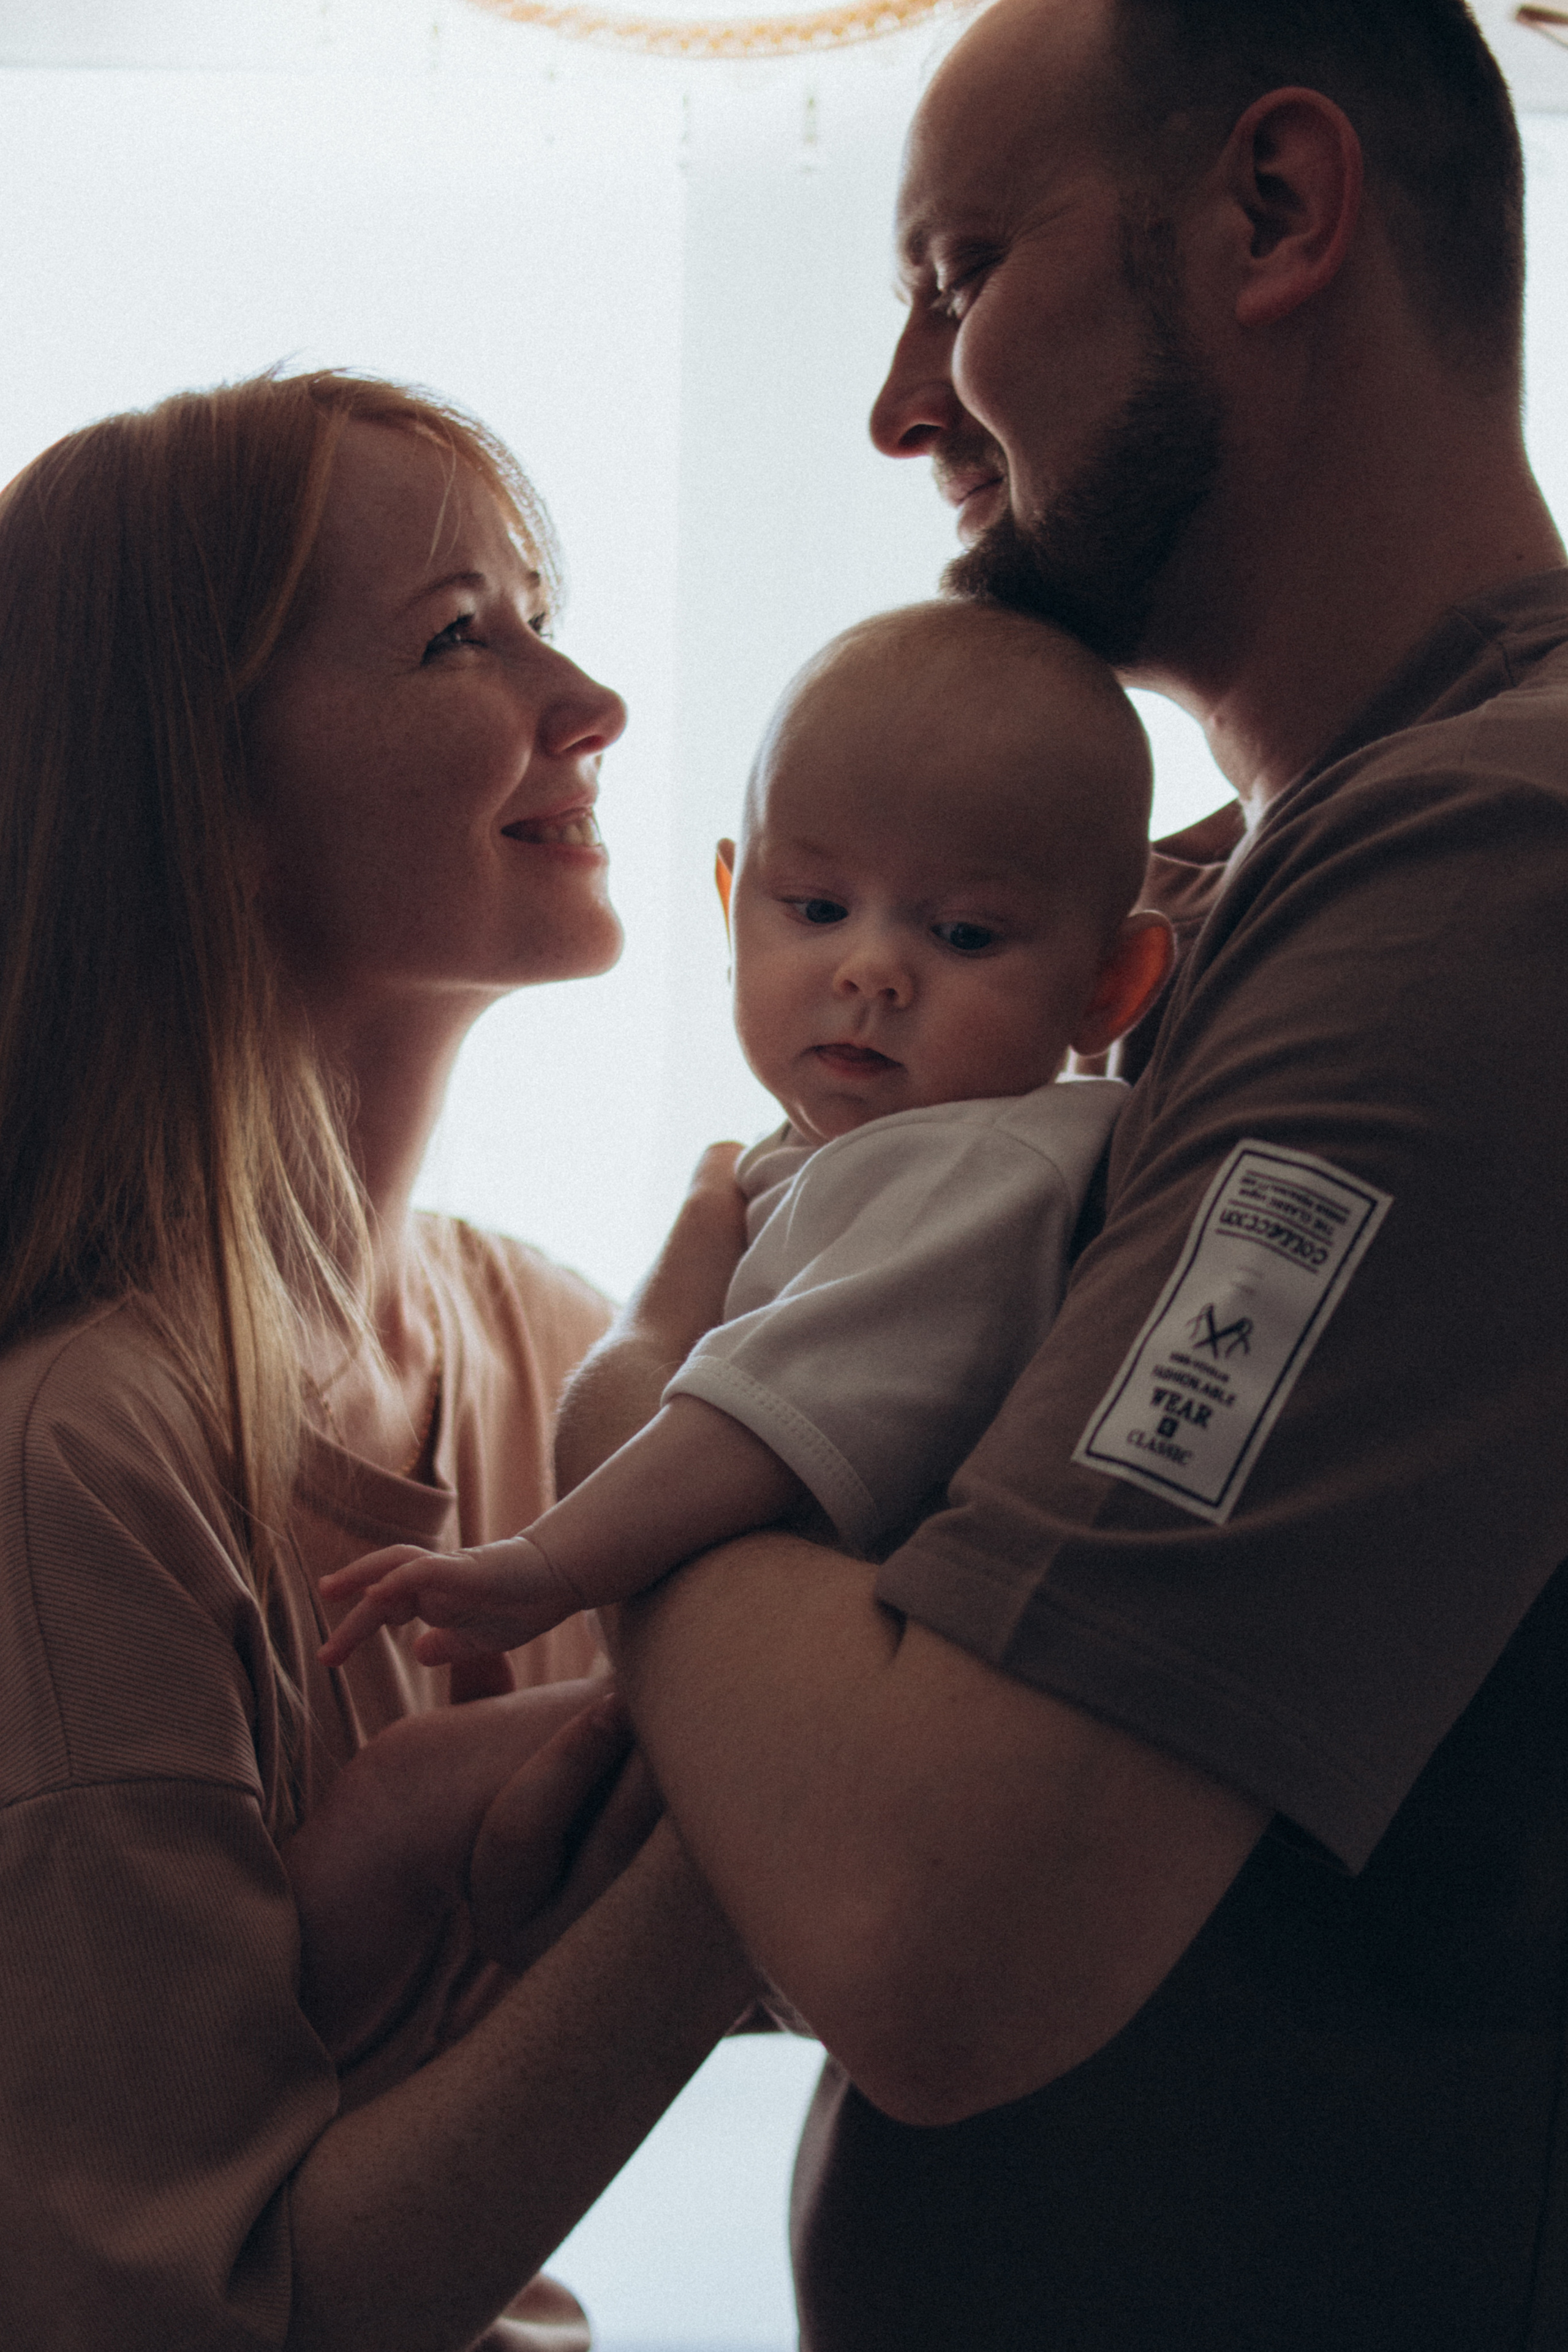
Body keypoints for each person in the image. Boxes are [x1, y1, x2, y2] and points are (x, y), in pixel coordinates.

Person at [545, 3, 1568, 2346]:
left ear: (1276, 217)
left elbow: (936, 1920)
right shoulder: (1246, 902)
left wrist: (634, 1418)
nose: (905, 404)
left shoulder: (1489, 878)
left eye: (963, 271)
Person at [0, 369, 754, 2352]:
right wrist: (736, 1820)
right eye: (460, 635)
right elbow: (190, 2316)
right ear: (211, 800)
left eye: (539, 608)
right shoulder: (83, 1465)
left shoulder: (570, 1350)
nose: (585, 697)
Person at [312, 600, 1172, 1669]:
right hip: (765, 1669)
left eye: (961, 934)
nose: (870, 970)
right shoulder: (855, 1152)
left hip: (834, 1689)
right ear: (732, 905)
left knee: (398, 1801)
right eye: (816, 909)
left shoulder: (984, 1174)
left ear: (1110, 986)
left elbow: (757, 1433)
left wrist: (547, 1564)